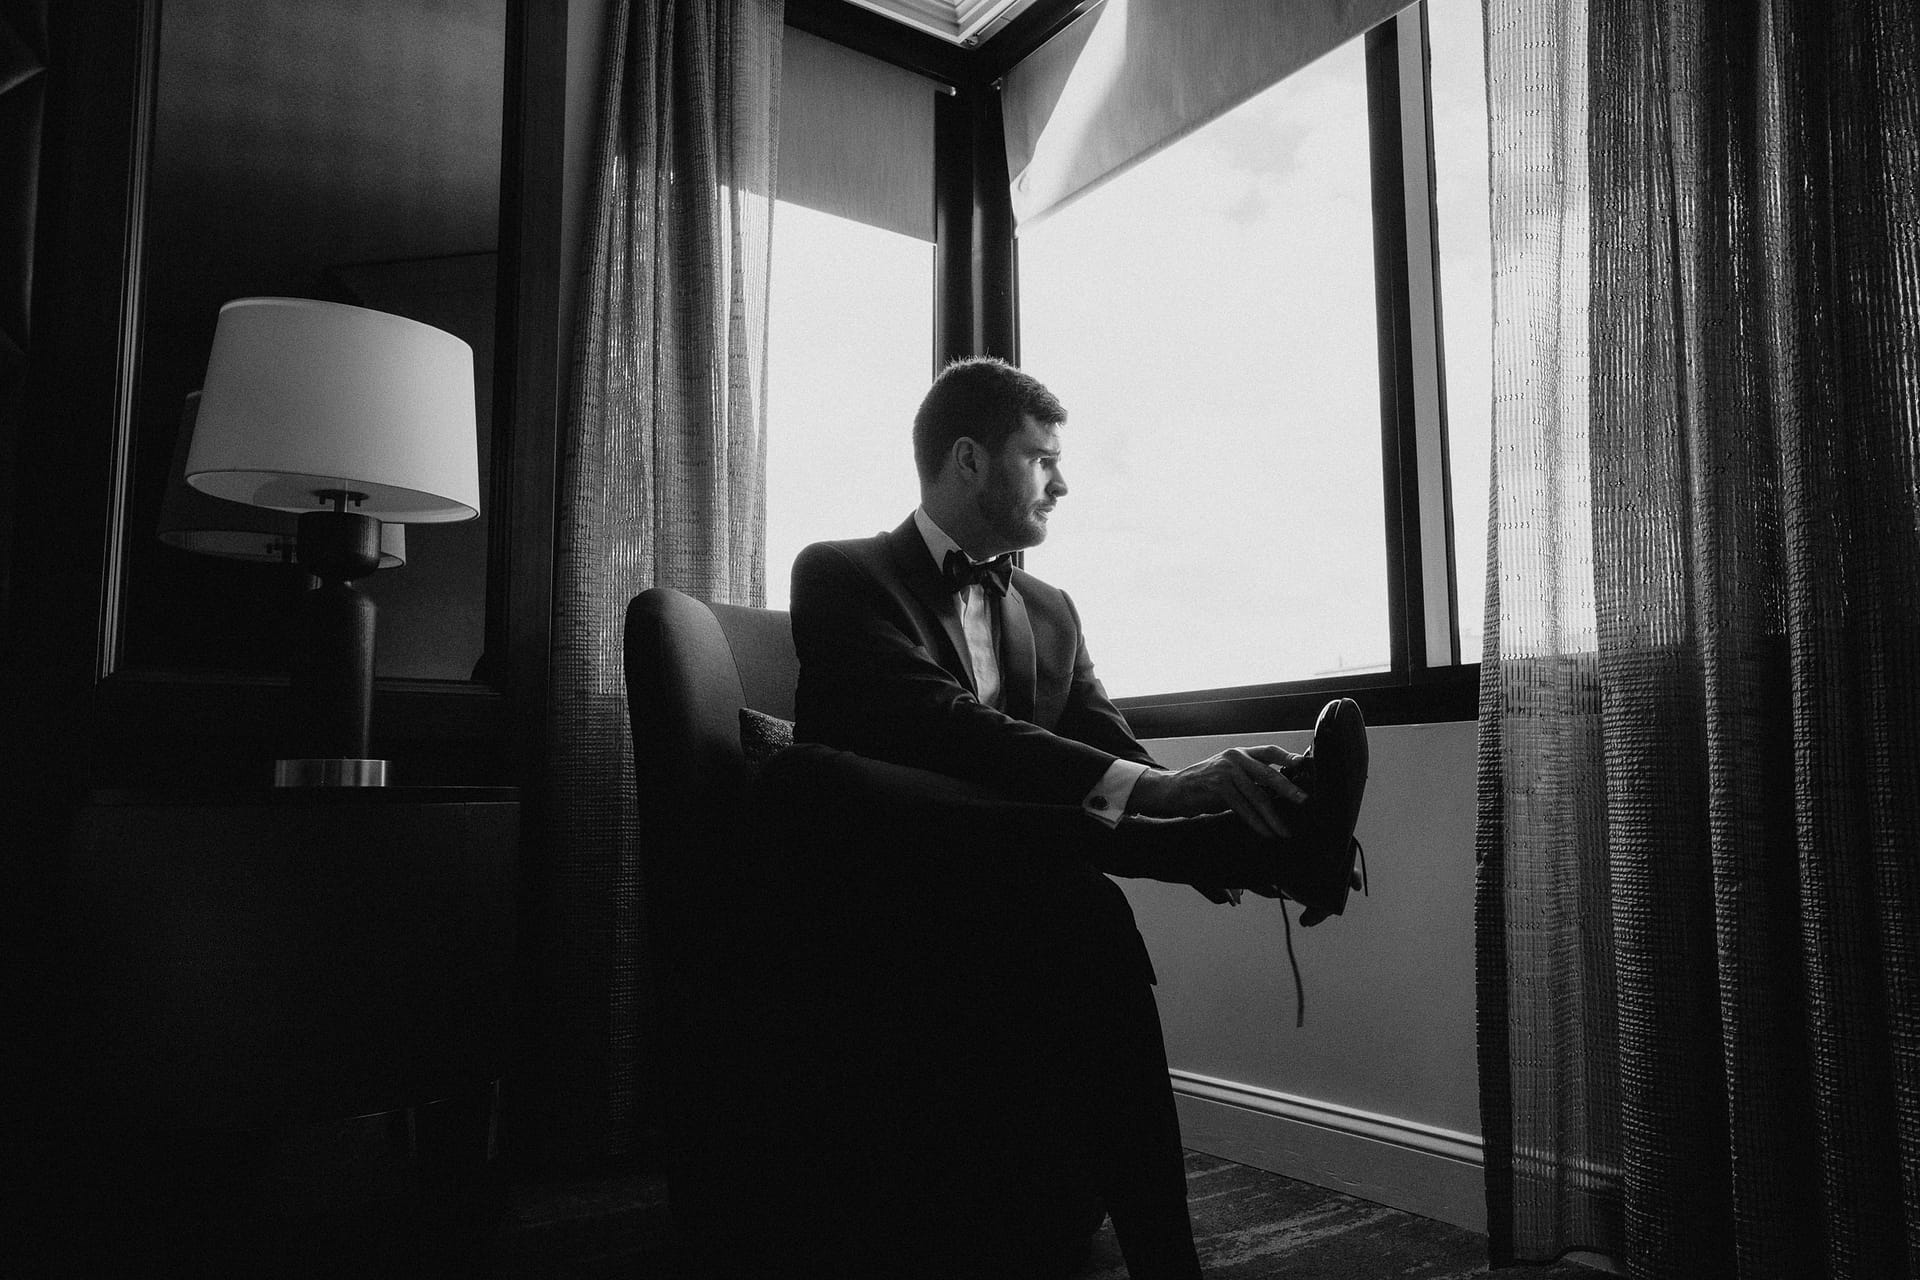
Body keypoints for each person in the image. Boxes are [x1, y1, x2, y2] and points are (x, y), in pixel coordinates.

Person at [775, 357, 1367, 1279]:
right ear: (969, 460)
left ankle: (1250, 838)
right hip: (880, 884)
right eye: (1042, 458)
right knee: (841, 782)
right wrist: (1167, 804)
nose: (1063, 483)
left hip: (1019, 885)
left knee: (1081, 903)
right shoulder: (840, 572)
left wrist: (1216, 786)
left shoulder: (1050, 610)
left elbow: (1109, 749)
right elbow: (938, 722)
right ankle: (1239, 854)